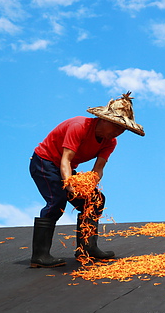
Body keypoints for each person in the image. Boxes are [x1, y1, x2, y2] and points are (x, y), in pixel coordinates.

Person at [29, 92, 145, 268]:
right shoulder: (79, 127)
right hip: (45, 161)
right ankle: (40, 255)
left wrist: (89, 186)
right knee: (57, 201)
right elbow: (65, 160)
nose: (118, 132)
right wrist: (69, 186)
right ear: (104, 119)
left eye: (123, 129)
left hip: (64, 166)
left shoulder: (110, 142)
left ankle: (87, 249)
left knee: (95, 200)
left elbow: (98, 169)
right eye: (116, 126)